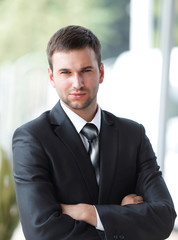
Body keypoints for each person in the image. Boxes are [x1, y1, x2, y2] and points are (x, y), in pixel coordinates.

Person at [12, 25, 176, 240]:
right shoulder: (32, 139)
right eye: (66, 73)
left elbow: (164, 218)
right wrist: (120, 215)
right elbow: (42, 232)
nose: (77, 83)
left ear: (101, 72)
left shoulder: (132, 135)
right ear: (52, 77)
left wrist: (87, 212)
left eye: (85, 71)